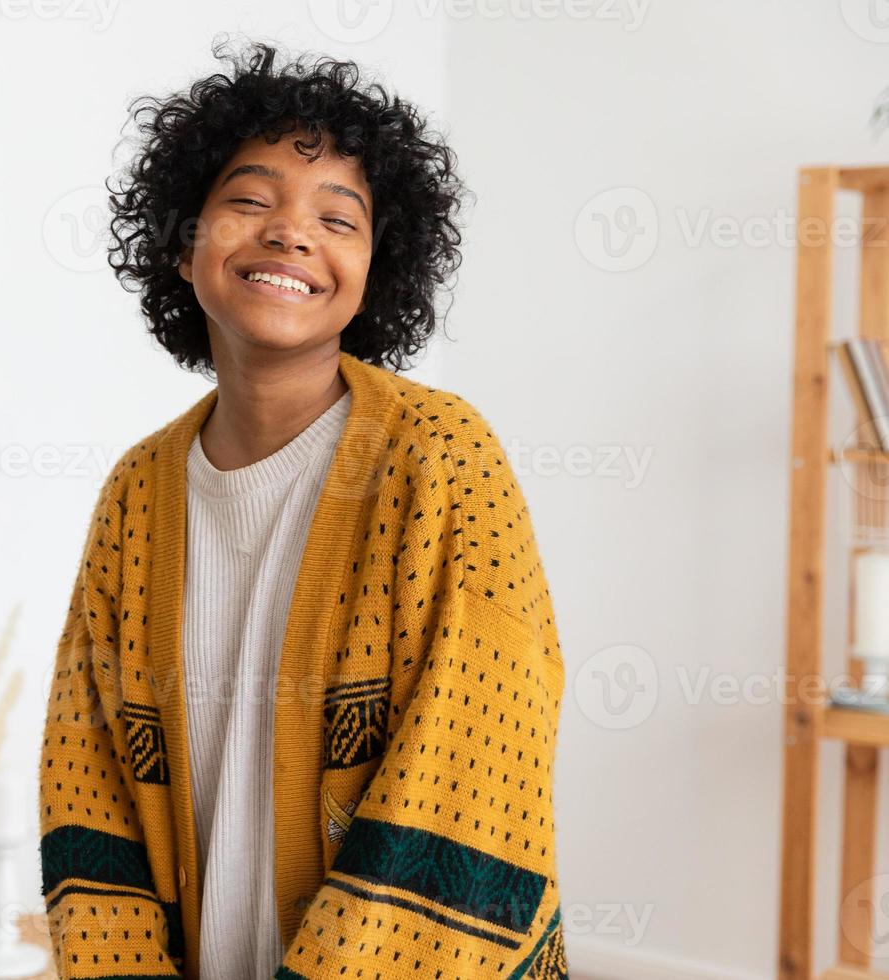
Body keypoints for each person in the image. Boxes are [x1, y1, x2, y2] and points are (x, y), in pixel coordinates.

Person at [38, 37, 567, 980]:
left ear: (374, 271)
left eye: (340, 217)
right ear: (184, 237)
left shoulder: (439, 457)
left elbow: (474, 754)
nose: (291, 233)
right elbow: (89, 772)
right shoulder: (135, 491)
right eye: (249, 200)